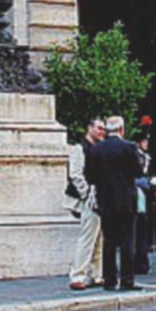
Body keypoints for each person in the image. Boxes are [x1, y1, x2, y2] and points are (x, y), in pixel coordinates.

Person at [85, 115, 143, 291]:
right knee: (127, 240)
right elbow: (137, 172)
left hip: (106, 200)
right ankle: (127, 280)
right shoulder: (129, 147)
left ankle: (109, 279)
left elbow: (90, 176)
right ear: (121, 129)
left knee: (108, 241)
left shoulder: (96, 150)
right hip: (126, 199)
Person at [65, 118, 105, 291]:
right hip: (90, 198)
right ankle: (78, 275)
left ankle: (95, 274)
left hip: (95, 197)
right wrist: (87, 193)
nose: (101, 132)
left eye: (103, 129)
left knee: (98, 238)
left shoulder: (95, 148)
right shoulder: (80, 148)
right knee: (88, 237)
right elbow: (75, 174)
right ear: (89, 128)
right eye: (99, 128)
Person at [134, 130, 156, 277]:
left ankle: (142, 260)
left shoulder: (147, 157)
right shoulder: (137, 157)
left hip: (145, 197)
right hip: (138, 196)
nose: (147, 144)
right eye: (144, 141)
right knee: (139, 230)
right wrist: (149, 183)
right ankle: (139, 262)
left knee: (144, 230)